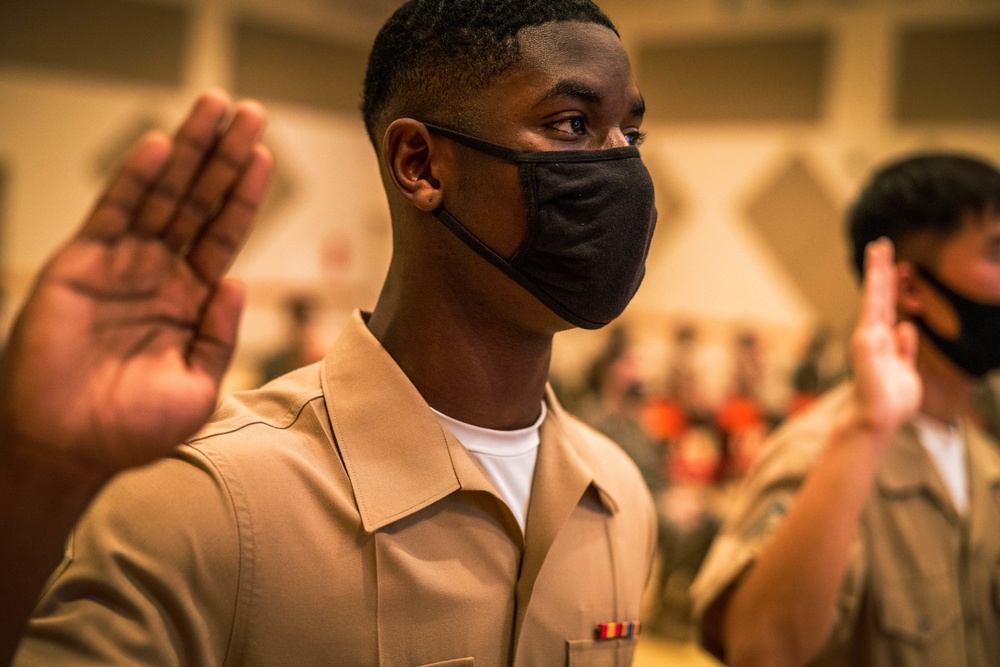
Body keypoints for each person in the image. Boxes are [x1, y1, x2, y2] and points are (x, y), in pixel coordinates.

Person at [0, 1, 659, 665]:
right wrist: (37, 469)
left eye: (629, 136)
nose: (621, 166)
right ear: (421, 165)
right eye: (572, 124)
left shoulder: (620, 498)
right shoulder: (209, 503)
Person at [691, 153, 1000, 667]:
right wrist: (868, 427)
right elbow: (759, 650)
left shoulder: (985, 463)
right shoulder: (823, 453)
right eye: (996, 251)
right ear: (911, 288)